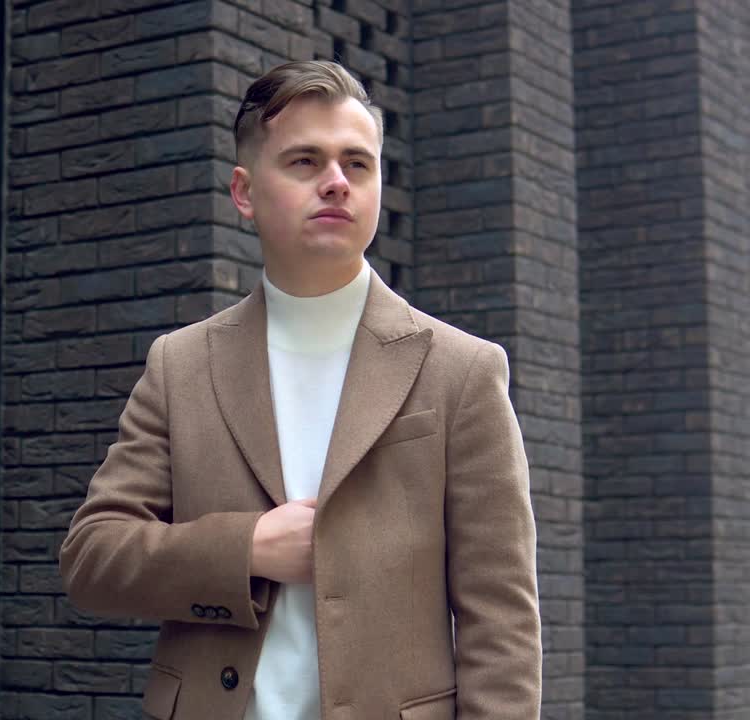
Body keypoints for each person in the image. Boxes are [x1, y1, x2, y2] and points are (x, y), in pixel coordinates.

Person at [58, 60, 541, 720]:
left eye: (357, 164)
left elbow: (502, 626)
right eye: (306, 162)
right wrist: (247, 548)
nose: (337, 183)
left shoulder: (462, 371)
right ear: (244, 190)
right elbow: (92, 558)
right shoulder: (181, 366)